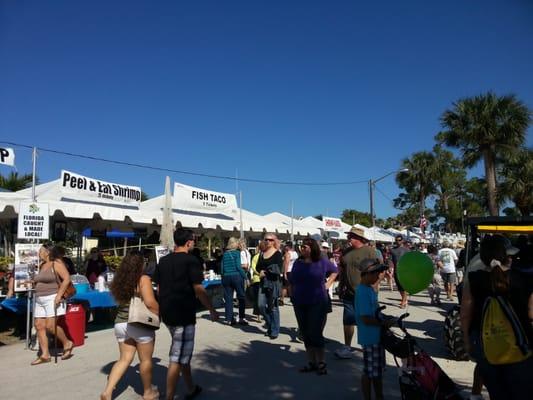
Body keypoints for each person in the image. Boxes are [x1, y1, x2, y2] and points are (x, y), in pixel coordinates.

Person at [461, 234, 533, 399]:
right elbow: (531, 313)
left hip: (485, 346)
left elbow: (465, 314)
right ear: (506, 256)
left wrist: (466, 340)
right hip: (521, 347)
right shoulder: (524, 279)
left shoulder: (474, 279)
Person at [153, 228, 218, 400]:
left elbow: (159, 289)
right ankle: (169, 397)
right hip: (183, 314)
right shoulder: (191, 261)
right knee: (177, 357)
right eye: (193, 240)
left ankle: (191, 388)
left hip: (168, 312)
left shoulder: (163, 261)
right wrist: (211, 309)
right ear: (189, 242)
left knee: (183, 353)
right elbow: (199, 289)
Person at [100, 251, 160, 400]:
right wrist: (159, 313)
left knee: (124, 359)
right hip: (138, 323)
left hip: (120, 323)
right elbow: (150, 302)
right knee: (145, 360)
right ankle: (148, 392)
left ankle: (107, 392)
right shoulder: (142, 279)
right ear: (141, 264)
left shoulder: (120, 280)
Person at [289, 238, 337, 375]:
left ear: (312, 248)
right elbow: (292, 279)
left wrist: (328, 284)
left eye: (304, 247)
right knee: (305, 333)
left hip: (317, 301)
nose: (301, 249)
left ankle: (321, 362)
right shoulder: (298, 262)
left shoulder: (321, 262)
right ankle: (311, 362)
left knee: (315, 332)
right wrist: (291, 293)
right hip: (299, 301)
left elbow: (335, 271)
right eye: (301, 247)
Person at [335, 226, 375, 359]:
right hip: (348, 293)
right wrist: (341, 286)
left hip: (364, 293)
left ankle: (367, 348)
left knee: (364, 321)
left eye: (350, 236)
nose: (348, 238)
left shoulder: (370, 251)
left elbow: (379, 272)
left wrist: (373, 288)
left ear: (358, 238)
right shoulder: (346, 252)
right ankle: (347, 347)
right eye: (348, 236)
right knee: (348, 321)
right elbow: (342, 270)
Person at [355, 258, 393, 400]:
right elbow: (366, 318)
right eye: (376, 273)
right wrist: (384, 324)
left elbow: (374, 312)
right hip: (370, 338)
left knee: (377, 372)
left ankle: (379, 396)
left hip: (376, 337)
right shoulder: (363, 292)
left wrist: (386, 318)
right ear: (366, 274)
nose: (378, 276)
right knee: (369, 373)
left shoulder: (369, 289)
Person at [31, 244, 74, 365]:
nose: (39, 252)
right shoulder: (42, 265)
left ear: (47, 252)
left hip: (52, 297)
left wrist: (59, 295)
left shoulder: (56, 264)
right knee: (39, 325)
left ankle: (67, 343)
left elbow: (67, 279)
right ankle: (45, 355)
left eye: (41, 251)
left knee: (50, 326)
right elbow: (41, 280)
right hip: (39, 298)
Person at [256, 233, 283, 339]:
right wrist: (260, 271)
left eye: (271, 240)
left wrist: (266, 272)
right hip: (263, 282)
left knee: (273, 308)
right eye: (266, 239)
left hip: (273, 283)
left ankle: (274, 330)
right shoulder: (262, 253)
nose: (268, 241)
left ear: (274, 241)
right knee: (261, 305)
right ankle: (271, 324)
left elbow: (278, 269)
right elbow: (258, 266)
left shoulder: (277, 254)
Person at [221, 237, 248, 326]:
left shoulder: (224, 254)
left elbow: (222, 268)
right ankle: (241, 318)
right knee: (241, 297)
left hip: (226, 277)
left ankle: (229, 319)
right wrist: (245, 277)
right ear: (235, 244)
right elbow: (238, 267)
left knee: (228, 299)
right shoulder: (237, 253)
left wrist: (223, 276)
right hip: (236, 276)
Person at [391, 235, 410, 308]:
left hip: (404, 271)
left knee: (403, 287)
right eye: (396, 240)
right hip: (396, 270)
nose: (397, 241)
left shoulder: (406, 250)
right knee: (399, 287)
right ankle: (404, 299)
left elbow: (409, 260)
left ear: (402, 240)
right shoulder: (393, 250)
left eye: (399, 240)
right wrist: (390, 267)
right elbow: (390, 260)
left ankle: (404, 302)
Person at [249, 242, 265, 322]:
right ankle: (260, 315)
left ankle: (259, 315)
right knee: (261, 298)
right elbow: (254, 267)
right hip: (259, 279)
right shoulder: (259, 257)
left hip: (258, 279)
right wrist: (262, 273)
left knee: (258, 298)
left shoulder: (256, 256)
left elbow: (253, 267)